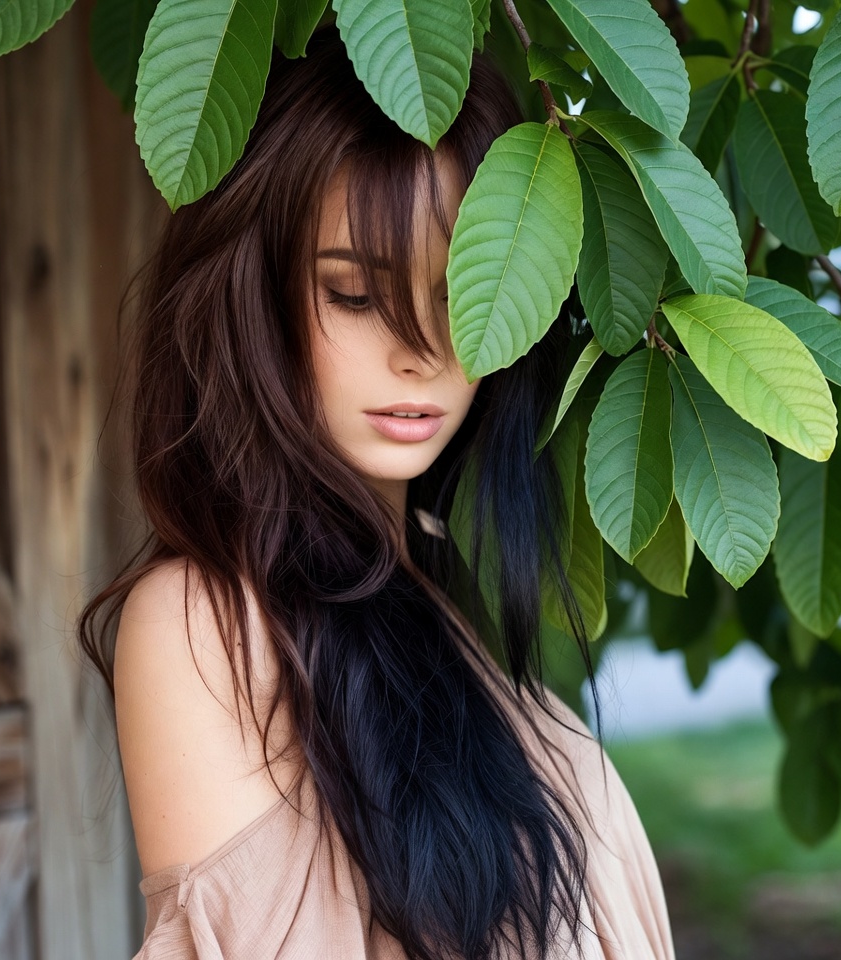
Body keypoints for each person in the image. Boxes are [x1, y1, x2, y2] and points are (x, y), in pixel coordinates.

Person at [80, 27, 675, 960]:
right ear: (253, 301)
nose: (422, 351)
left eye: (465, 297)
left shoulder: (431, 588)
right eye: (356, 295)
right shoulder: (205, 619)